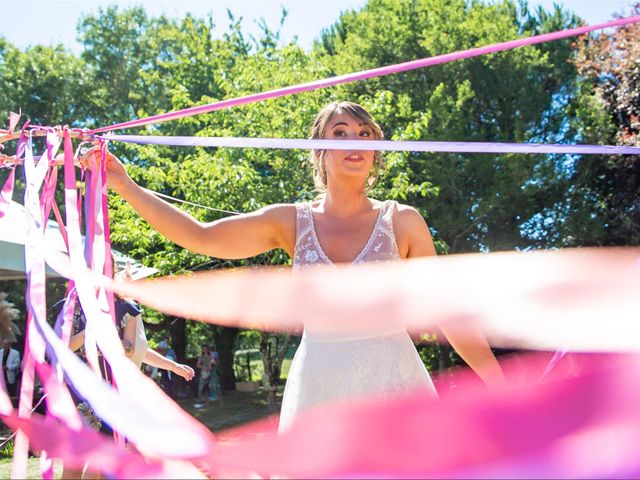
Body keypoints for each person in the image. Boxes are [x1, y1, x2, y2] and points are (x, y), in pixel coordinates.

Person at [97, 101, 505, 431]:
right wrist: (125, 185)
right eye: (340, 133)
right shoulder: (291, 222)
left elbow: (448, 315)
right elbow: (202, 237)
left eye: (364, 134)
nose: (354, 142)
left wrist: (502, 388)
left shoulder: (403, 221)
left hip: (394, 384)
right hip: (319, 390)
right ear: (318, 151)